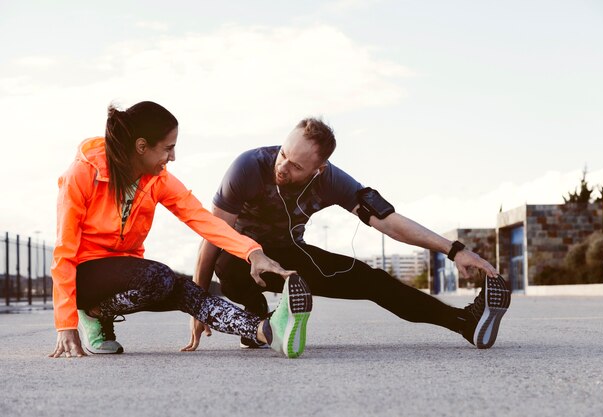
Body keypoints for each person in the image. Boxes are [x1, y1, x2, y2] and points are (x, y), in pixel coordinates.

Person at [183, 118, 510, 352]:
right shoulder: (248, 167)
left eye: (296, 166)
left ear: (318, 169)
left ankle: (465, 323)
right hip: (243, 257)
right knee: (227, 266)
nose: (282, 167)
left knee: (374, 282)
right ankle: (260, 323)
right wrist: (198, 306)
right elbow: (213, 234)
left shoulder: (332, 180)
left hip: (291, 256)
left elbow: (389, 221)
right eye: (283, 155)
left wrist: (454, 250)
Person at [49, 101, 313, 359]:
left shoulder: (156, 179)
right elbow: (64, 252)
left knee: (185, 290)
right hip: (84, 274)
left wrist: (252, 252)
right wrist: (65, 324)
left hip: (126, 271)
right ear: (142, 147)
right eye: (168, 148)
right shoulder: (83, 174)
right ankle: (93, 313)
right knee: (159, 277)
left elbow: (201, 218)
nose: (172, 157)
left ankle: (267, 330)